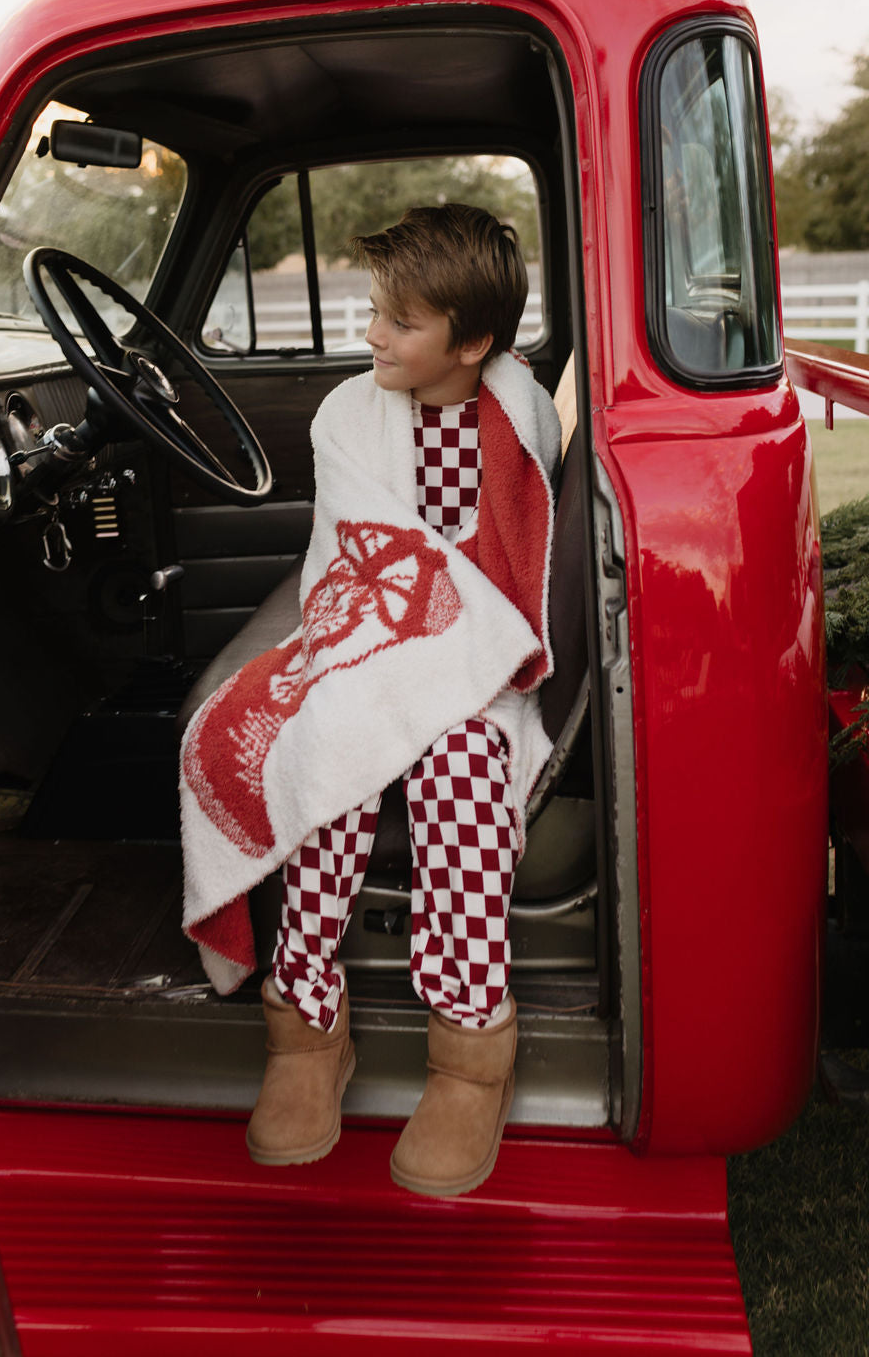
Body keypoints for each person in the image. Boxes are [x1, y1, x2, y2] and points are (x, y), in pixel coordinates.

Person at [179, 203, 561, 1197]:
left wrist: (442, 666)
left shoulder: (517, 418)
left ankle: (469, 1046)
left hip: (471, 660)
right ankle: (305, 1029)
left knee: (464, 773)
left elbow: (504, 579)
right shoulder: (350, 413)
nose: (372, 335)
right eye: (375, 312)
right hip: (366, 643)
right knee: (324, 755)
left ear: (471, 342)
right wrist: (376, 662)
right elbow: (355, 565)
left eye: (400, 321)